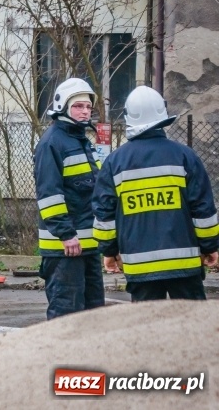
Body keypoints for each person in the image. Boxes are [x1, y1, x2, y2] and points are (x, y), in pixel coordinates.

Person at [93, 86, 219, 301]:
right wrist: (210, 247)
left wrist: (110, 251)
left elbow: (104, 215)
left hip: (140, 268)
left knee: (149, 330)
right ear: (163, 113)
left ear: (128, 117)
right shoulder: (184, 156)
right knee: (193, 327)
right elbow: (203, 210)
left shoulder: (115, 163)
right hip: (185, 264)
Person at [33, 78, 104, 319]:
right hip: (65, 248)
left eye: (88, 107)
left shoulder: (80, 140)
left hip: (88, 245)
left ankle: (89, 358)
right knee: (66, 314)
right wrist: (66, 234)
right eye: (79, 106)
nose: (85, 112)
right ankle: (60, 358)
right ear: (63, 107)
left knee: (93, 313)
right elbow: (49, 194)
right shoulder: (52, 142)